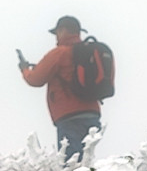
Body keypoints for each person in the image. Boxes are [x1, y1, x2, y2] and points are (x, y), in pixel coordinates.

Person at [18, 15, 102, 161]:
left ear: (63, 31)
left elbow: (35, 79)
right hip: (92, 114)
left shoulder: (59, 53)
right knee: (87, 162)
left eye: (57, 33)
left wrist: (25, 70)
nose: (56, 37)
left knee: (71, 165)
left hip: (69, 116)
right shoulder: (89, 52)